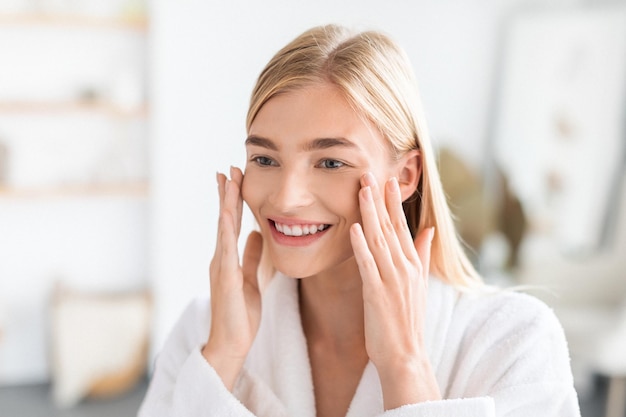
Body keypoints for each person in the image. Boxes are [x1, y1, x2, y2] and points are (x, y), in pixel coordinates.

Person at [138, 24, 581, 417]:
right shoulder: (203, 332)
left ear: (406, 176)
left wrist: (404, 364)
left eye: (330, 162)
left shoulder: (515, 342)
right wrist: (223, 357)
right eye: (265, 158)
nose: (287, 198)